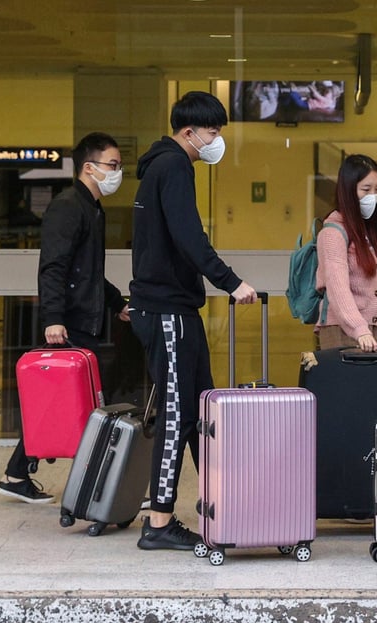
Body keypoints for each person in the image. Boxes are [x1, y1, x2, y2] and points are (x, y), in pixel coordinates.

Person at [128, 90, 258, 551]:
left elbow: (155, 242)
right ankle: (159, 522)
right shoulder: (172, 167)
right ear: (189, 132)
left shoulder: (163, 168)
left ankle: (222, 502)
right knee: (179, 415)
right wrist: (231, 282)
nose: (217, 139)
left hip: (173, 308)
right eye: (213, 131)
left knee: (202, 409)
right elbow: (189, 237)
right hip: (168, 312)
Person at [0, 132, 130, 503]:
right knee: (75, 403)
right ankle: (76, 480)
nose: (117, 172)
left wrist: (116, 303)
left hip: (82, 319)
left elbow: (88, 271)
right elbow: (53, 267)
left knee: (69, 402)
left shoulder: (91, 208)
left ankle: (16, 474)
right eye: (112, 165)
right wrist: (52, 319)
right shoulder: (69, 206)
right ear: (89, 167)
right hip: (68, 324)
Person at [314, 153, 377, 353]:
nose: (373, 196)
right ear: (349, 191)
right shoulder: (333, 233)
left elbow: (374, 289)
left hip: (367, 331)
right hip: (343, 329)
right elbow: (337, 288)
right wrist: (359, 329)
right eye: (366, 189)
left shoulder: (364, 232)